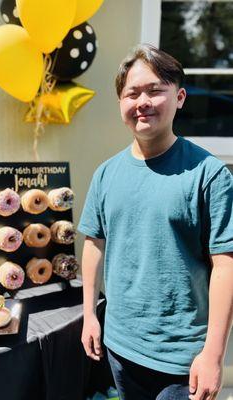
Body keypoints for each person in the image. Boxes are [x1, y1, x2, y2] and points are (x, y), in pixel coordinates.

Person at [78, 44, 233, 400]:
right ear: (120, 103)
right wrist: (89, 315)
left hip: (182, 359)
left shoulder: (208, 175)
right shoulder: (106, 173)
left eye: (154, 90)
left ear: (179, 97)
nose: (142, 102)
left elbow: (226, 264)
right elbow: (93, 244)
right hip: (119, 346)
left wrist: (213, 354)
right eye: (132, 93)